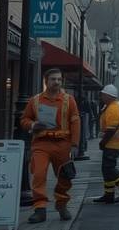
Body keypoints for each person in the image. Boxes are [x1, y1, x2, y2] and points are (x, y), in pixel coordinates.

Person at [20, 68, 80, 223]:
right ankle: (40, 209)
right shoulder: (35, 100)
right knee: (39, 175)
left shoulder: (69, 100)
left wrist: (75, 144)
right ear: (46, 81)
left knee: (65, 177)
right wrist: (33, 125)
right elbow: (24, 120)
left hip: (62, 144)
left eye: (59, 79)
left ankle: (61, 204)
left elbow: (75, 122)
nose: (56, 82)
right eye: (53, 79)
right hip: (41, 143)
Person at [93, 84, 119, 204]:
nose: (101, 96)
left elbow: (111, 129)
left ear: (109, 96)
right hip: (113, 144)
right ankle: (109, 194)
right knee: (106, 169)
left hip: (113, 144)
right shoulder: (110, 106)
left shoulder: (113, 109)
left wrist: (103, 142)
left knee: (109, 168)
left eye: (103, 95)